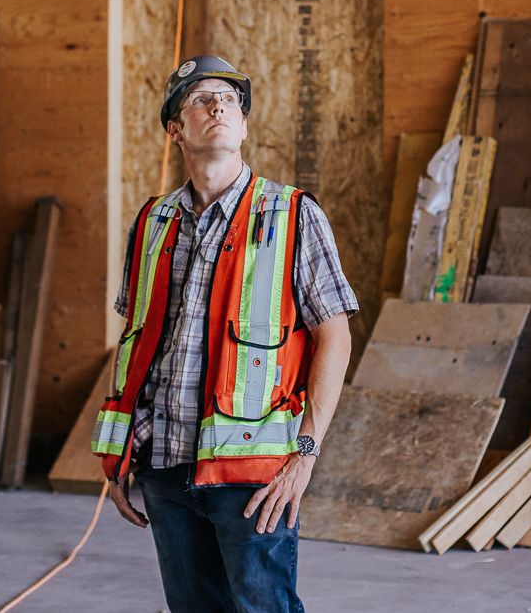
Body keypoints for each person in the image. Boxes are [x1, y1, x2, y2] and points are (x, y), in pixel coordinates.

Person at [92, 55, 358, 612]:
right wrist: (117, 454)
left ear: (244, 125)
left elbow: (335, 336)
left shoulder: (291, 215)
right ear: (175, 129)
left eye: (230, 100)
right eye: (199, 100)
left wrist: (305, 455)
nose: (218, 106)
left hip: (253, 476)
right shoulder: (152, 222)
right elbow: (136, 345)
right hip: (164, 468)